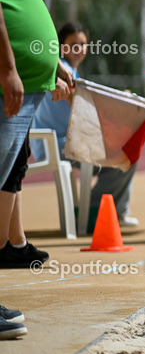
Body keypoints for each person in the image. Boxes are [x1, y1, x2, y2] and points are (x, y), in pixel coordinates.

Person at [0, 0, 72, 338]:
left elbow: (28, 21)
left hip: (28, 89)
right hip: (12, 90)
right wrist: (11, 70)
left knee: (10, 175)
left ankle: (13, 245)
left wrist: (54, 69)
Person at [31, 22, 139, 231]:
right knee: (126, 154)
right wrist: (121, 98)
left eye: (82, 44)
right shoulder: (64, 71)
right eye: (73, 44)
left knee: (124, 153)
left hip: (61, 142)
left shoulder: (67, 71)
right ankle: (93, 212)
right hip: (58, 145)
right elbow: (86, 105)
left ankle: (109, 211)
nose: (79, 49)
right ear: (61, 47)